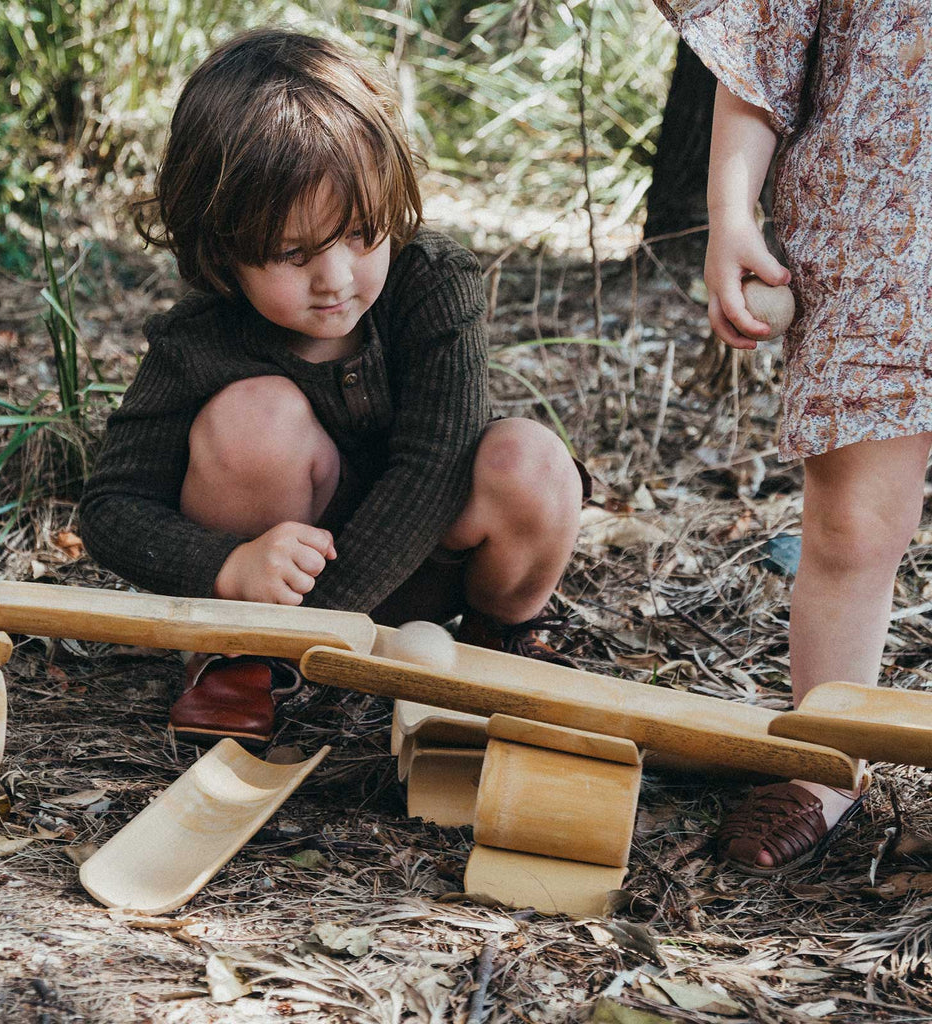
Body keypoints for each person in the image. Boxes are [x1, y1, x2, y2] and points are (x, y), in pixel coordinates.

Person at [79, 29, 586, 747]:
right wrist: (229, 568)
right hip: (273, 598)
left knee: (530, 459)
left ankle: (502, 636)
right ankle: (241, 657)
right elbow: (110, 509)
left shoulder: (433, 284)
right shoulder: (197, 339)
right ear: (221, 247)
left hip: (426, 571)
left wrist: (326, 626)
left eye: (360, 234)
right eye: (293, 253)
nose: (337, 280)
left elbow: (436, 465)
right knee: (253, 417)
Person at [653, 2, 932, 873]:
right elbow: (761, 49)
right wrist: (731, 213)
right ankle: (825, 761)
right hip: (877, 223)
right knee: (853, 521)